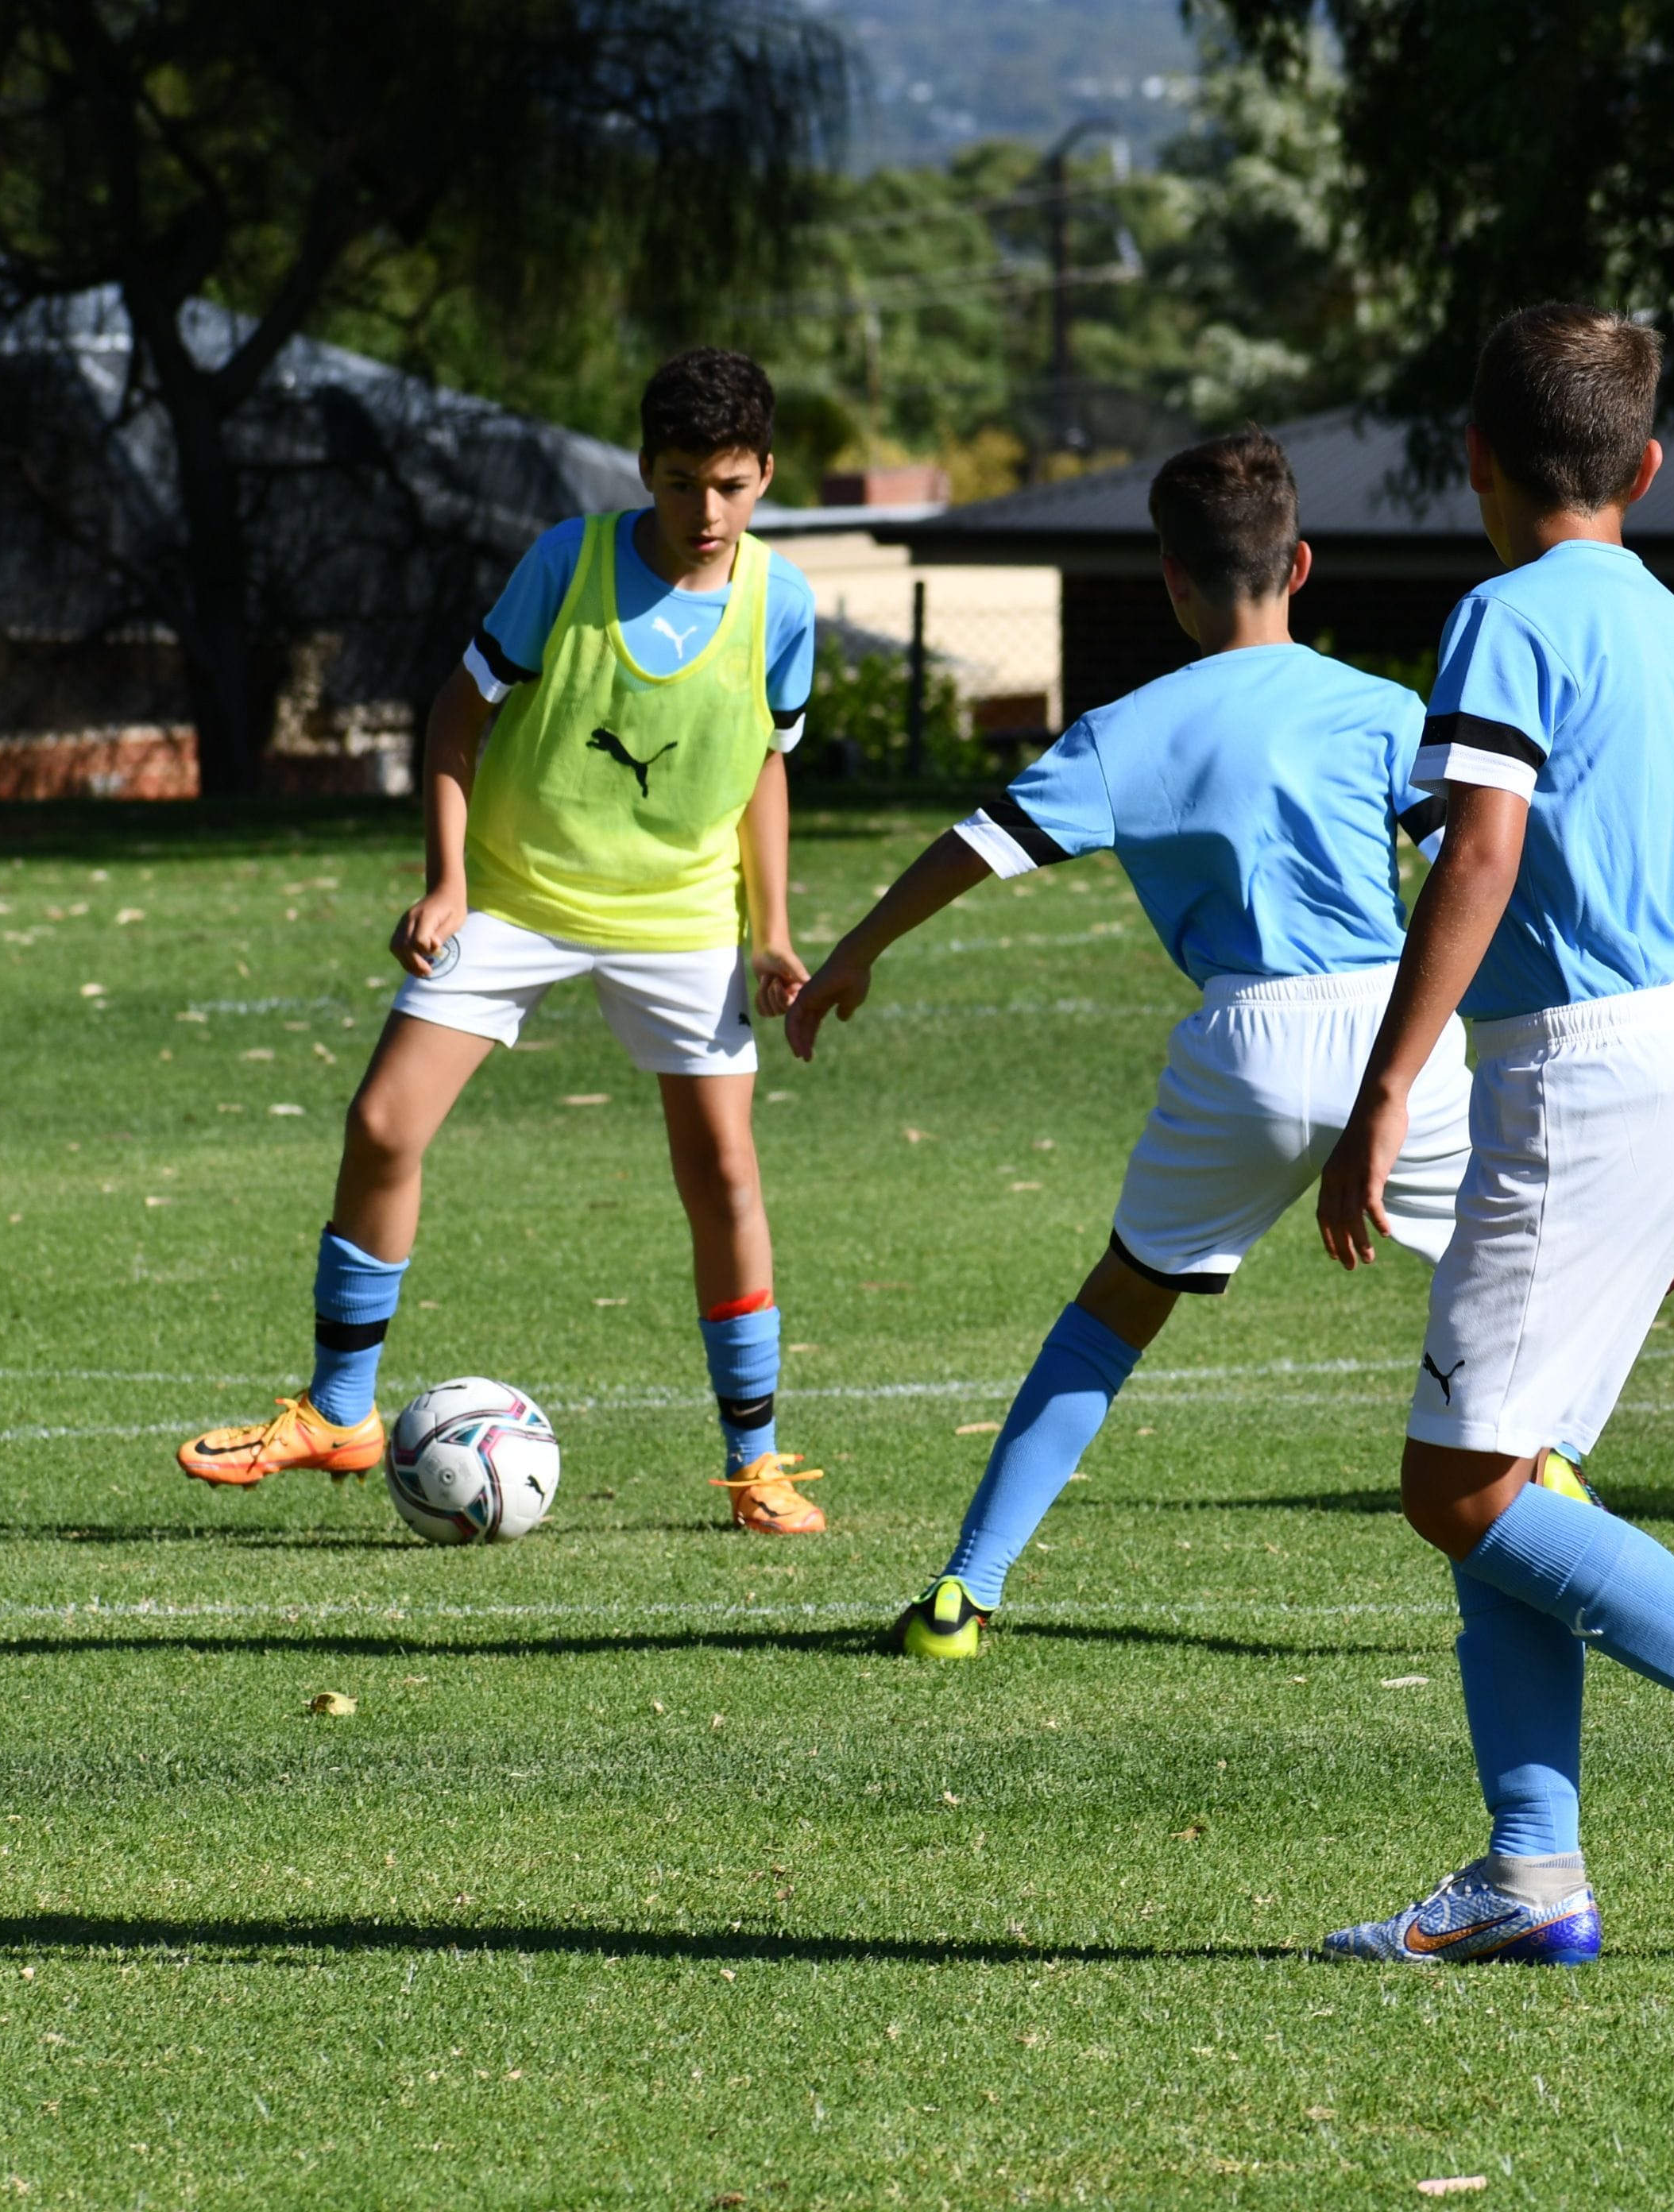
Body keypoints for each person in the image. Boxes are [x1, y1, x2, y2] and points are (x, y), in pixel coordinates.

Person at [1312, 304, 1674, 1966]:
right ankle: (1533, 1877)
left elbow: (1482, 855)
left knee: (1458, 1488)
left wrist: (1381, 1095)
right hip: (1660, 1066)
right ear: (1646, 468)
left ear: (1473, 460)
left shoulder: (1501, 615)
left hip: (1568, 1080)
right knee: (1513, 1469)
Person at [786, 427, 1486, 1655]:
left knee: (1115, 1311)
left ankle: (964, 1594)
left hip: (1248, 1045)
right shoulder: (1381, 708)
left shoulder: (1126, 729)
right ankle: (1563, 1479)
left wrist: (856, 949)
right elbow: (1473, 867)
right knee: (1511, 1272)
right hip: (1398, 1038)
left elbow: (979, 842)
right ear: (1302, 564)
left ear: (1169, 578)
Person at [176, 347, 830, 1535]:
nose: (706, 510)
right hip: (517, 898)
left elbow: (765, 769)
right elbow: (456, 714)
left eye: (731, 483)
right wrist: (445, 882)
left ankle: (758, 1463)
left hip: (680, 918)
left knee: (724, 1176)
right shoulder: (565, 562)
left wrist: (772, 928)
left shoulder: (782, 603)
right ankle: (339, 1413)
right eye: (681, 481)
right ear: (647, 471)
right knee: (382, 1123)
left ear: (766, 475)